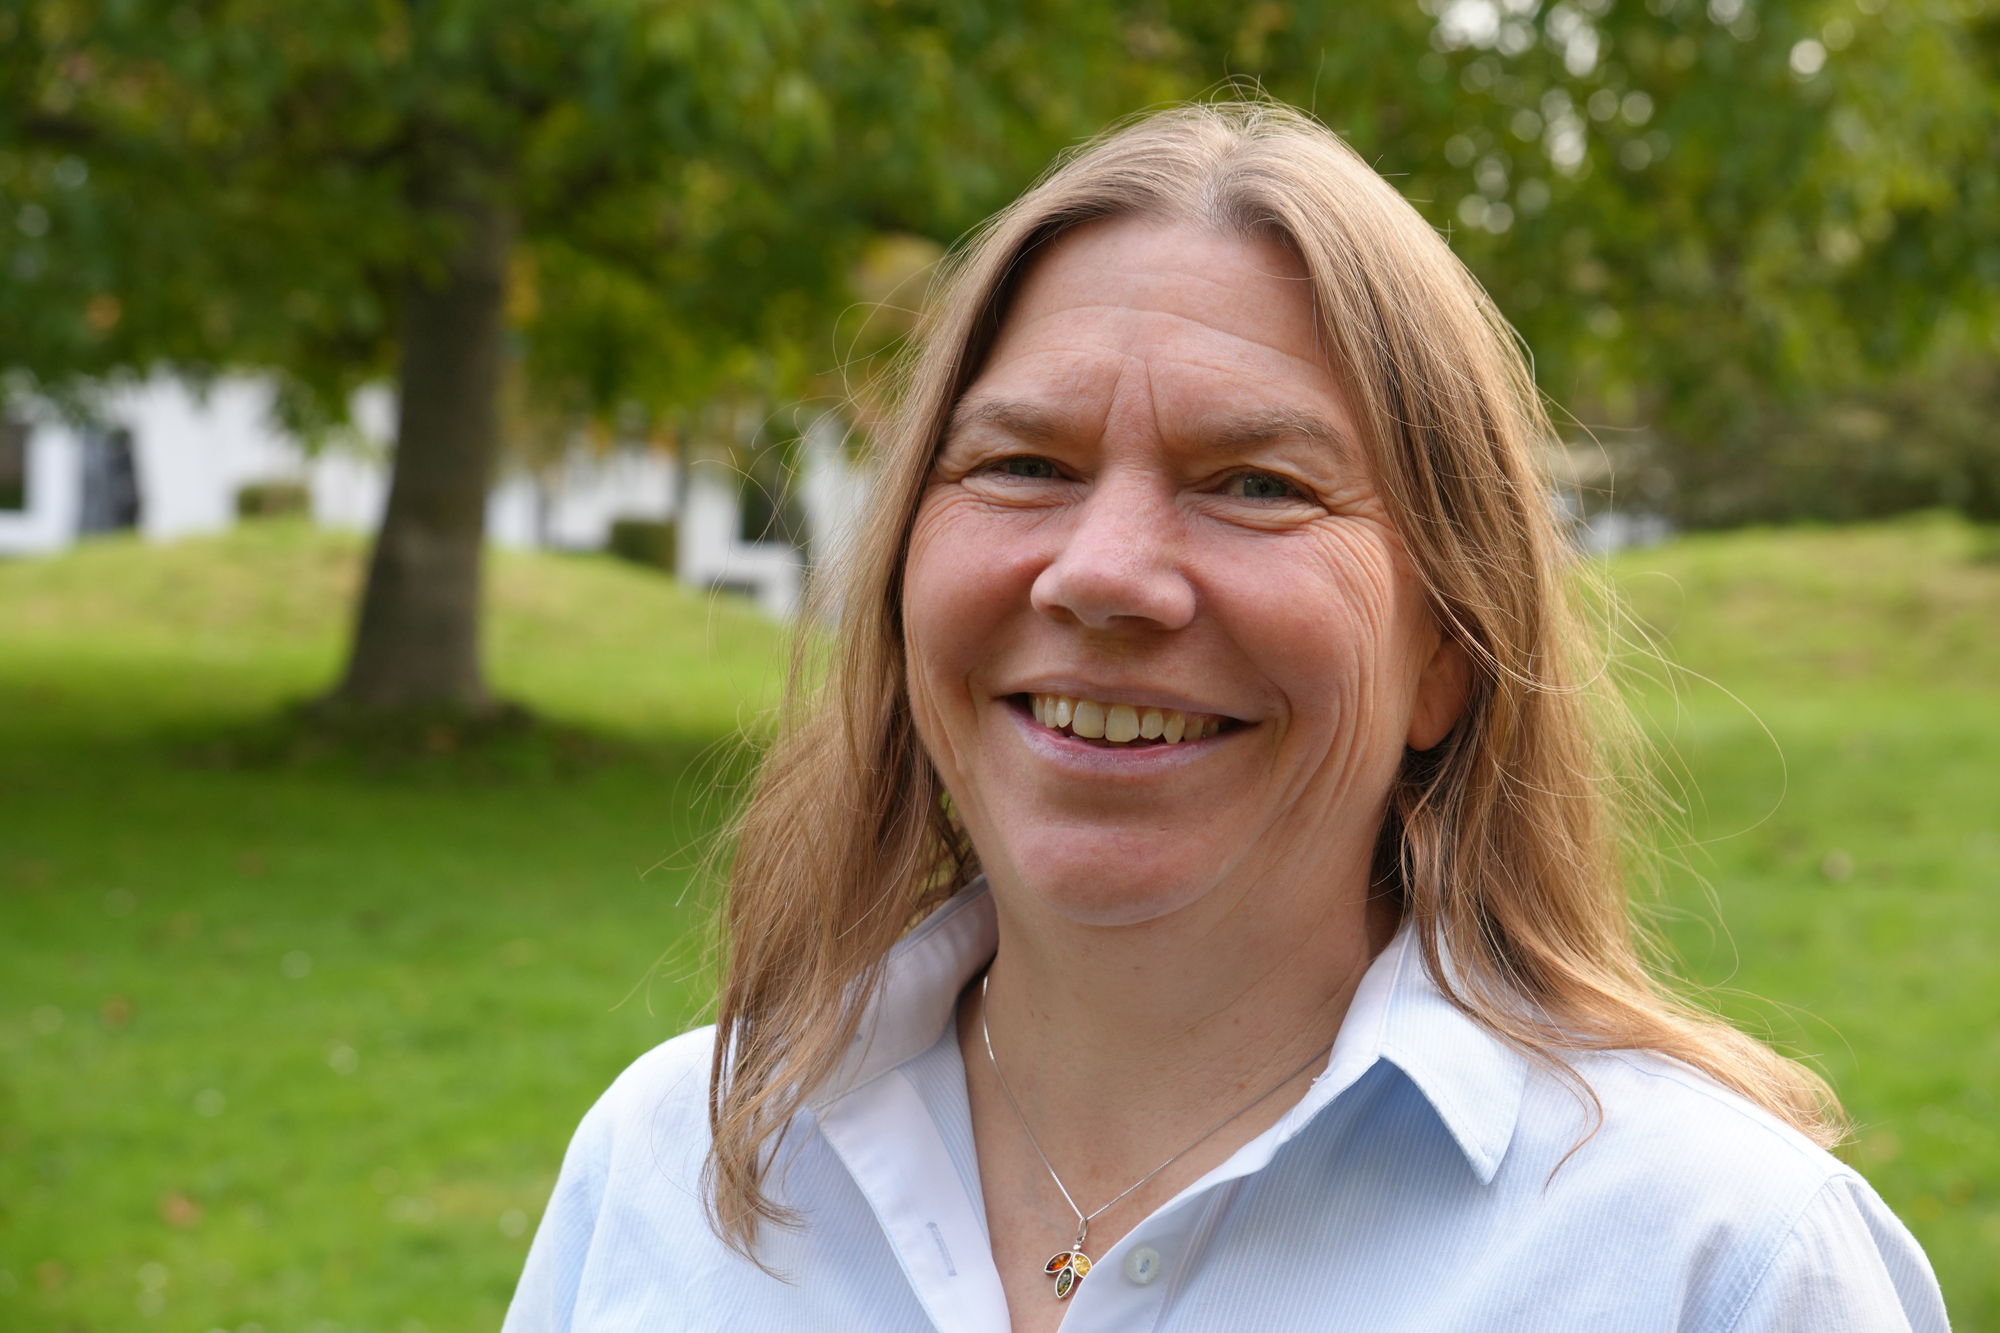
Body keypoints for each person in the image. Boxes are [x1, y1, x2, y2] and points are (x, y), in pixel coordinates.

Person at [502, 103, 1947, 1333]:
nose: (1105, 573)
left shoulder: (1715, 1261)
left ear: (1449, 649)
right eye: (1021, 463)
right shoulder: (674, 1161)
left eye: (1257, 481)